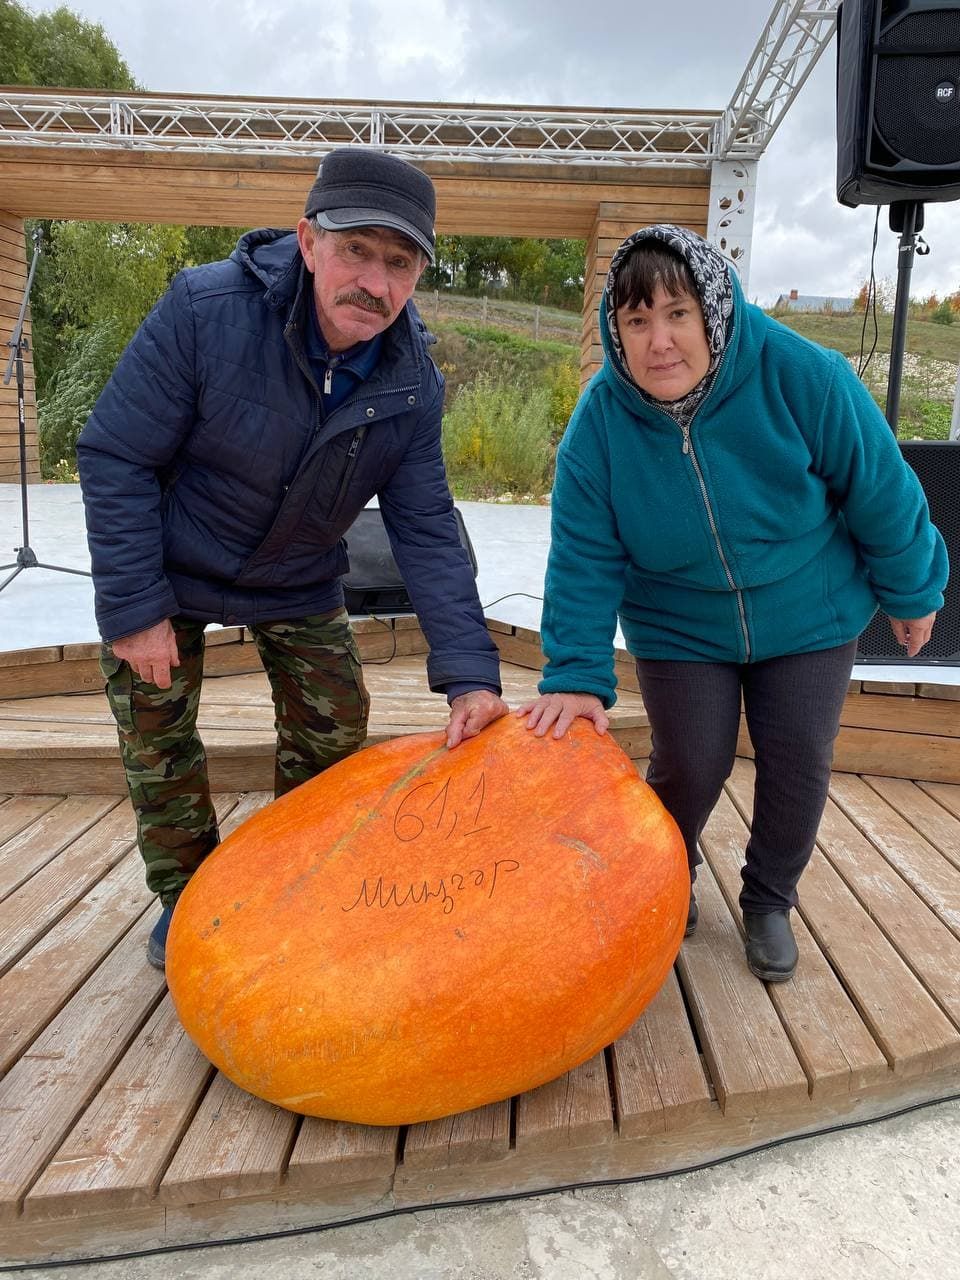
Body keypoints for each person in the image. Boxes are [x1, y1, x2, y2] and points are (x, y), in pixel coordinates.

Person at [78, 147, 508, 970]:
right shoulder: (203, 309)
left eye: (399, 263)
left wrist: (470, 674)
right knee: (156, 730)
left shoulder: (415, 383)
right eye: (356, 251)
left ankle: (298, 878)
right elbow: (114, 453)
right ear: (308, 241)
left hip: (299, 571)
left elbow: (426, 527)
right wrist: (135, 610)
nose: (375, 284)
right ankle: (188, 897)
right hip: (170, 566)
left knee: (335, 725)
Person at [521, 224, 947, 984]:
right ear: (614, 332)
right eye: (637, 320)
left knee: (798, 762)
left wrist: (913, 591)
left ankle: (769, 899)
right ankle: (662, 877)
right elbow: (584, 554)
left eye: (677, 314)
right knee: (690, 762)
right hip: (680, 624)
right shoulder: (600, 424)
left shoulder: (803, 375)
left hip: (808, 611)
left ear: (713, 312)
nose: (659, 342)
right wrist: (576, 673)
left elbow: (880, 488)